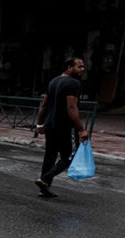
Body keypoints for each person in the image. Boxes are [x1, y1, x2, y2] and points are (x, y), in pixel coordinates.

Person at [35, 57, 89, 197]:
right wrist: (81, 129)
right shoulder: (73, 83)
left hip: (50, 125)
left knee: (50, 156)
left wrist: (40, 124)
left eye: (83, 67)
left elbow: (44, 105)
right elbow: (72, 107)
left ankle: (44, 189)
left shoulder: (53, 81)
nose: (82, 69)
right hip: (65, 126)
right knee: (70, 156)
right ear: (69, 68)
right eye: (79, 67)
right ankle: (45, 179)